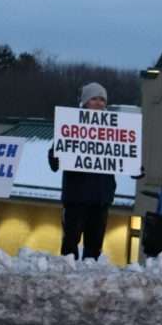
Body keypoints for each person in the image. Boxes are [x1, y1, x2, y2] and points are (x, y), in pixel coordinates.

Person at [48, 82, 117, 260]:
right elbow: (54, 161)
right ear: (85, 102)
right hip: (76, 198)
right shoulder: (71, 126)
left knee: (94, 248)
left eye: (102, 99)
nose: (99, 103)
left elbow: (124, 156)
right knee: (70, 245)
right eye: (94, 98)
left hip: (101, 199)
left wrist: (135, 167)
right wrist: (56, 155)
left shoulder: (115, 130)